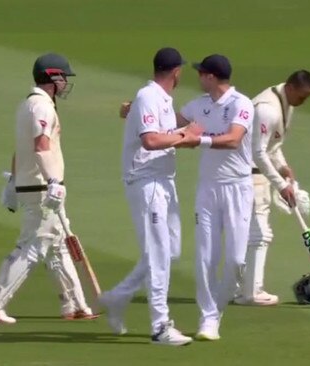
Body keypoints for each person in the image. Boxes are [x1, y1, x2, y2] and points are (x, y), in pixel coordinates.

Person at [0, 53, 96, 323]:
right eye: (64, 77)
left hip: (36, 185)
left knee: (58, 247)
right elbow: (41, 147)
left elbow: (20, 151)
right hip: (43, 187)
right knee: (32, 247)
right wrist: (54, 181)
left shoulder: (27, 105)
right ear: (53, 77)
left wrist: (13, 183)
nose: (66, 82)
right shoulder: (42, 107)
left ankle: (75, 305)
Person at [99, 47, 198, 346]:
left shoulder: (162, 100)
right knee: (158, 253)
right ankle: (160, 327)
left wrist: (188, 134)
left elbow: (161, 132)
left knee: (171, 251)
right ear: (176, 71)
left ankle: (117, 297)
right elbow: (151, 140)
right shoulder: (148, 96)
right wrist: (184, 137)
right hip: (146, 181)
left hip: (164, 181)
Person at [173, 54, 255, 341]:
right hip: (207, 189)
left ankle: (217, 309)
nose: (198, 78)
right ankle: (209, 318)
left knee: (235, 260)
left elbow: (233, 139)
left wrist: (199, 140)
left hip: (238, 188)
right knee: (206, 257)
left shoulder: (241, 104)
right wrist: (134, 113)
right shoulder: (198, 105)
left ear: (211, 77)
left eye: (201, 74)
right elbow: (172, 124)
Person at [235, 70, 310, 306]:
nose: (303, 102)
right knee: (260, 234)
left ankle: (241, 289)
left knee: (247, 234)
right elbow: (258, 152)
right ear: (290, 87)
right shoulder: (267, 109)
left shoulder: (285, 102)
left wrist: (283, 167)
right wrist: (281, 185)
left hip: (254, 172)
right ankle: (252, 292)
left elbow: (272, 144)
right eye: (302, 96)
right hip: (247, 173)